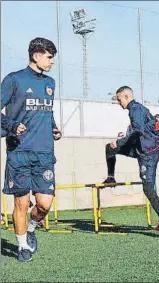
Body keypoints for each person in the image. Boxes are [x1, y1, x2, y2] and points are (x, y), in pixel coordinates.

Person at [1, 38, 61, 262]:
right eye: (49, 56)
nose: (51, 62)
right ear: (36, 56)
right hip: (19, 152)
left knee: (44, 204)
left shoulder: (50, 83)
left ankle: (32, 227)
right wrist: (11, 125)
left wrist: (54, 128)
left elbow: (47, 111)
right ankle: (22, 246)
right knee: (21, 203)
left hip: (44, 152)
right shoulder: (14, 80)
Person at [103, 86, 159, 231]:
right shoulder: (137, 109)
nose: (118, 102)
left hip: (148, 154)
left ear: (127, 96)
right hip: (140, 148)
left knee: (148, 187)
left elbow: (137, 131)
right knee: (110, 148)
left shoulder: (135, 109)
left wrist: (120, 142)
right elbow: (151, 128)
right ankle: (110, 177)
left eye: (119, 99)